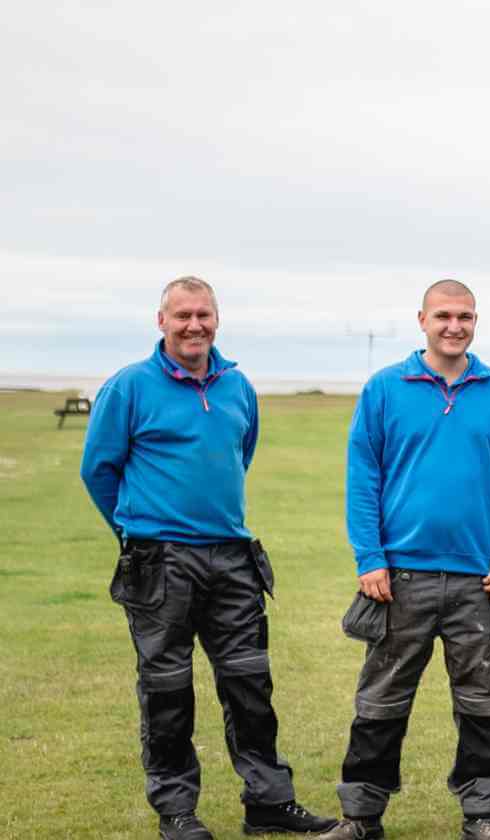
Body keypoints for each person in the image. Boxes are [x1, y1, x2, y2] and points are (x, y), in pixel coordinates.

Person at [80, 276, 339, 840]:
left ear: (217, 319)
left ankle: (267, 803)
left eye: (204, 315)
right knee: (167, 689)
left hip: (232, 558)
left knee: (251, 686)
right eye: (182, 316)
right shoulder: (129, 387)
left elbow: (238, 456)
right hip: (160, 562)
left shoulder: (237, 386)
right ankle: (176, 810)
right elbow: (98, 470)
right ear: (162, 321)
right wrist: (135, 531)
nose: (193, 325)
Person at [317, 281, 490, 840]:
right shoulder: (385, 389)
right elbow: (363, 479)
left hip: (482, 582)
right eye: (443, 315)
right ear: (422, 320)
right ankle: (361, 816)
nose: (454, 326)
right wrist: (370, 557)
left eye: (464, 316)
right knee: (381, 702)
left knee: (486, 706)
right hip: (398, 579)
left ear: (475, 322)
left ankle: (483, 817)